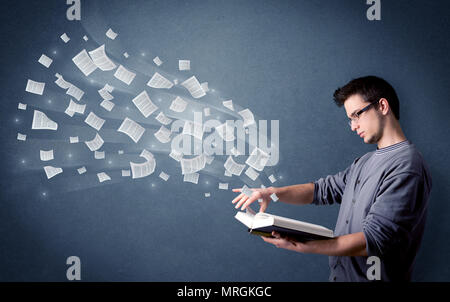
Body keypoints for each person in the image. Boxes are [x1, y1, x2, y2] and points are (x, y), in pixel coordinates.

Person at [232, 76, 432, 282]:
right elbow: (321, 190)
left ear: (382, 106)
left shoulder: (407, 167)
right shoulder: (364, 162)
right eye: (350, 119)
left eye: (357, 115)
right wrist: (271, 193)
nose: (353, 126)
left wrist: (303, 245)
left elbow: (373, 240)